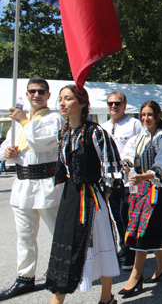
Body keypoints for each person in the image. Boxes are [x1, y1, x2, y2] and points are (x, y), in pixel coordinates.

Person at [46, 85, 122, 304]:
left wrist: (104, 193)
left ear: (82, 103)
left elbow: (111, 166)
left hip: (90, 198)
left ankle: (106, 297)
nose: (62, 103)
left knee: (100, 243)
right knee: (67, 246)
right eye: (60, 99)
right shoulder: (63, 133)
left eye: (68, 98)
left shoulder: (95, 132)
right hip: (70, 197)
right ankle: (59, 297)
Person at [0, 77, 65, 301]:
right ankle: (24, 278)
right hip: (22, 185)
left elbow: (41, 143)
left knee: (58, 233)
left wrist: (25, 121)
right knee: (24, 236)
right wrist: (7, 153)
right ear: (27, 95)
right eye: (32, 91)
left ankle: (67, 272)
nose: (36, 95)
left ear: (48, 95)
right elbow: (6, 147)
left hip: (46, 184)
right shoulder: (19, 121)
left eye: (41, 91)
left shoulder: (54, 118)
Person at [118, 100, 162, 296]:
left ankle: (136, 275)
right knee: (143, 230)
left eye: (149, 114)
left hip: (156, 191)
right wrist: (127, 165)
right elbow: (127, 155)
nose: (145, 118)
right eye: (143, 114)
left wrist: (144, 175)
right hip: (139, 190)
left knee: (142, 231)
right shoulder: (138, 137)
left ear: (158, 116)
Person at [101, 91, 143, 270]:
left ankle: (132, 251)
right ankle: (124, 247)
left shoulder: (134, 124)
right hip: (111, 181)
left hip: (129, 180)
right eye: (110, 103)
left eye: (117, 103)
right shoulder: (102, 127)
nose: (113, 106)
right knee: (117, 216)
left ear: (124, 105)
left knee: (129, 215)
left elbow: (144, 146)